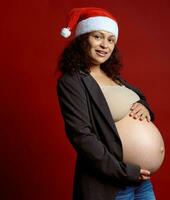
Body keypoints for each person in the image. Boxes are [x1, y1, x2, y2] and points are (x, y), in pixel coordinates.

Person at [56, 7, 156, 200]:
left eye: (110, 40)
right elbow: (82, 137)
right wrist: (123, 171)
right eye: (98, 37)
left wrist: (145, 107)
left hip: (141, 182)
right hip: (111, 185)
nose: (105, 45)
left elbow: (138, 98)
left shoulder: (114, 78)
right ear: (83, 39)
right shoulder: (72, 81)